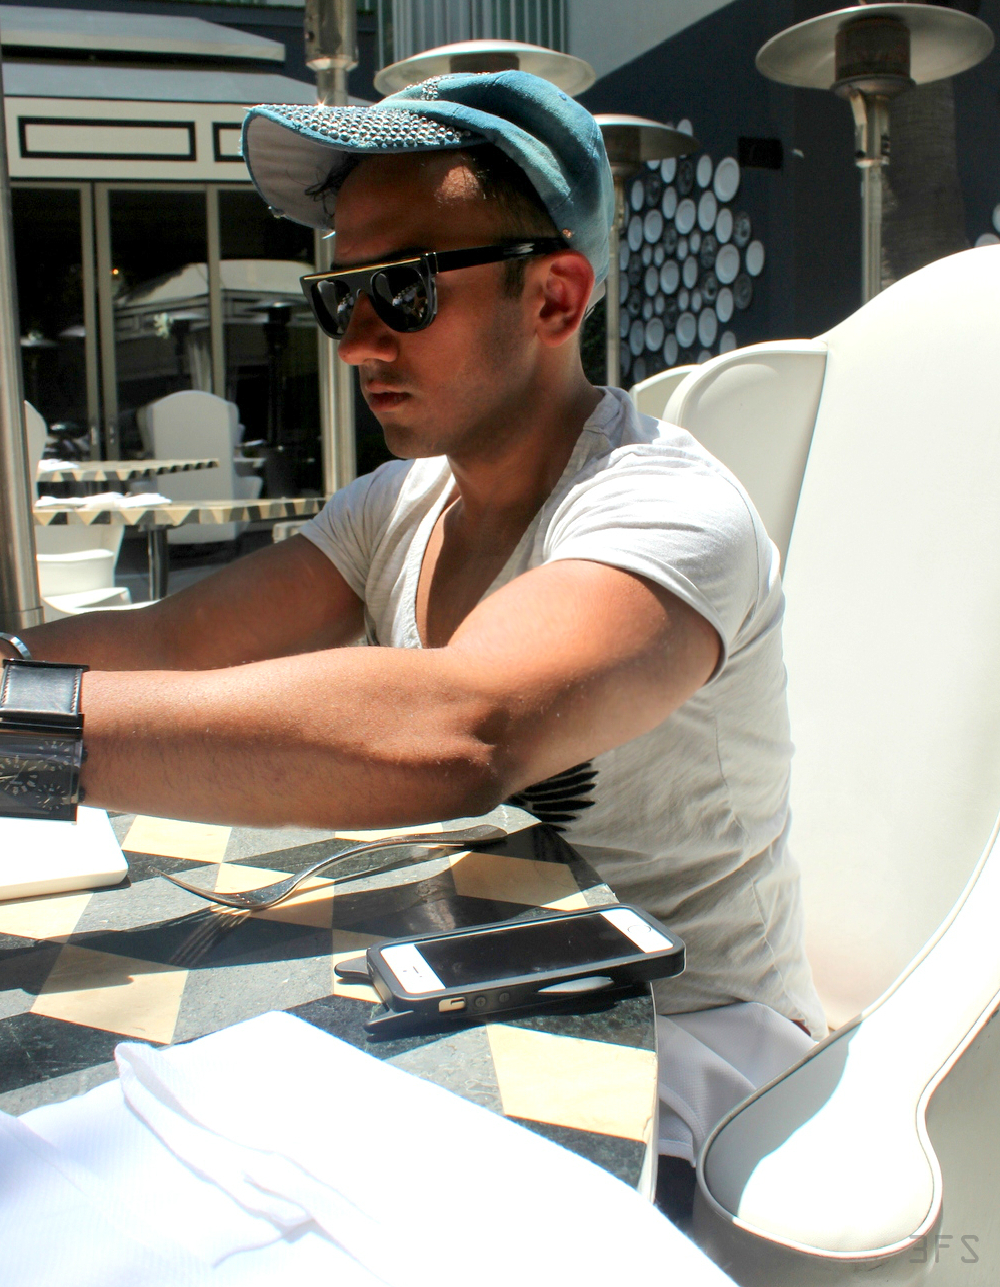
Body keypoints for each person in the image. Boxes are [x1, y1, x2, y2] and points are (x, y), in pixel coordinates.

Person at [0, 72, 823, 1191]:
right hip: (468, 985)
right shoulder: (402, 502)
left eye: (403, 288)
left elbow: (461, 731)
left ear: (555, 298)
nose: (354, 343)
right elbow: (180, 641)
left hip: (693, 1058)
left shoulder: (665, 511)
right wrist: (14, 669)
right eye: (341, 295)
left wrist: (22, 736)